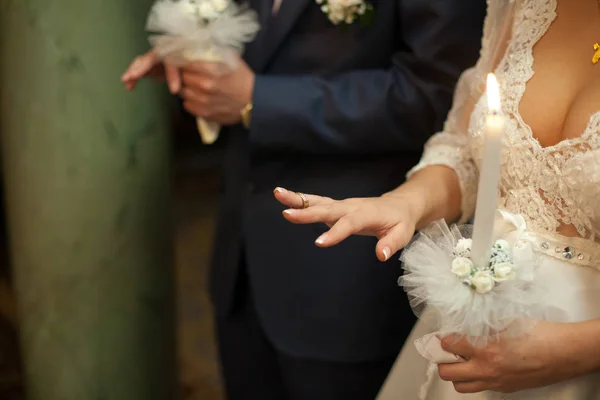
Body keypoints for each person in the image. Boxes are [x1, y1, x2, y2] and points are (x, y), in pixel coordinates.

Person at [122, 0, 485, 398]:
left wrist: (261, 100)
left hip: (343, 273)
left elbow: (433, 94)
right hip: (242, 253)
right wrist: (194, 57)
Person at [274, 0, 600, 398]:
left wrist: (580, 350)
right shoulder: (525, 5)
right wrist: (402, 203)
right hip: (478, 322)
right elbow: (465, 151)